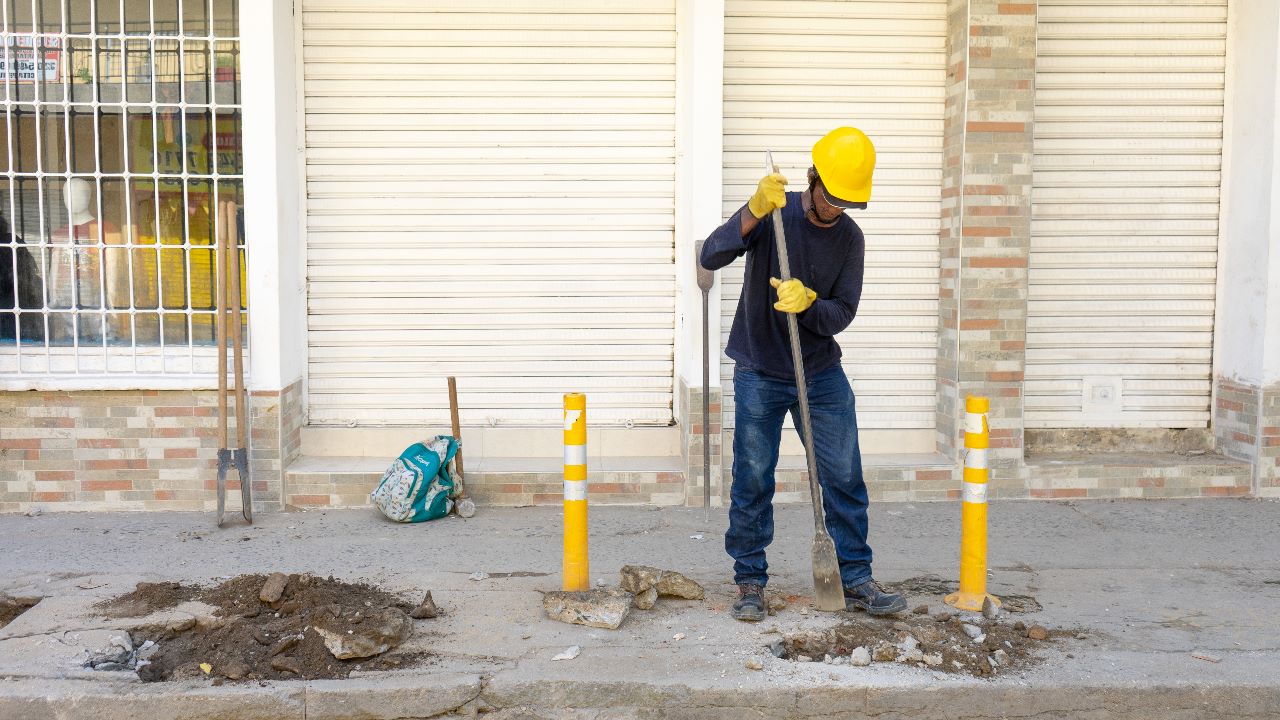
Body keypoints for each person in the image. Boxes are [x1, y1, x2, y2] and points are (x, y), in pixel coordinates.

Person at [699, 127, 907, 621]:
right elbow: (711, 255)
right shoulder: (775, 213)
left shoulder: (851, 240)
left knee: (844, 474)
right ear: (814, 179)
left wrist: (811, 304)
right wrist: (750, 212)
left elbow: (843, 313)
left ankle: (856, 576)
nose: (834, 207)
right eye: (829, 195)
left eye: (845, 202)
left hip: (819, 372)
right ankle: (750, 579)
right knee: (752, 477)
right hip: (760, 369)